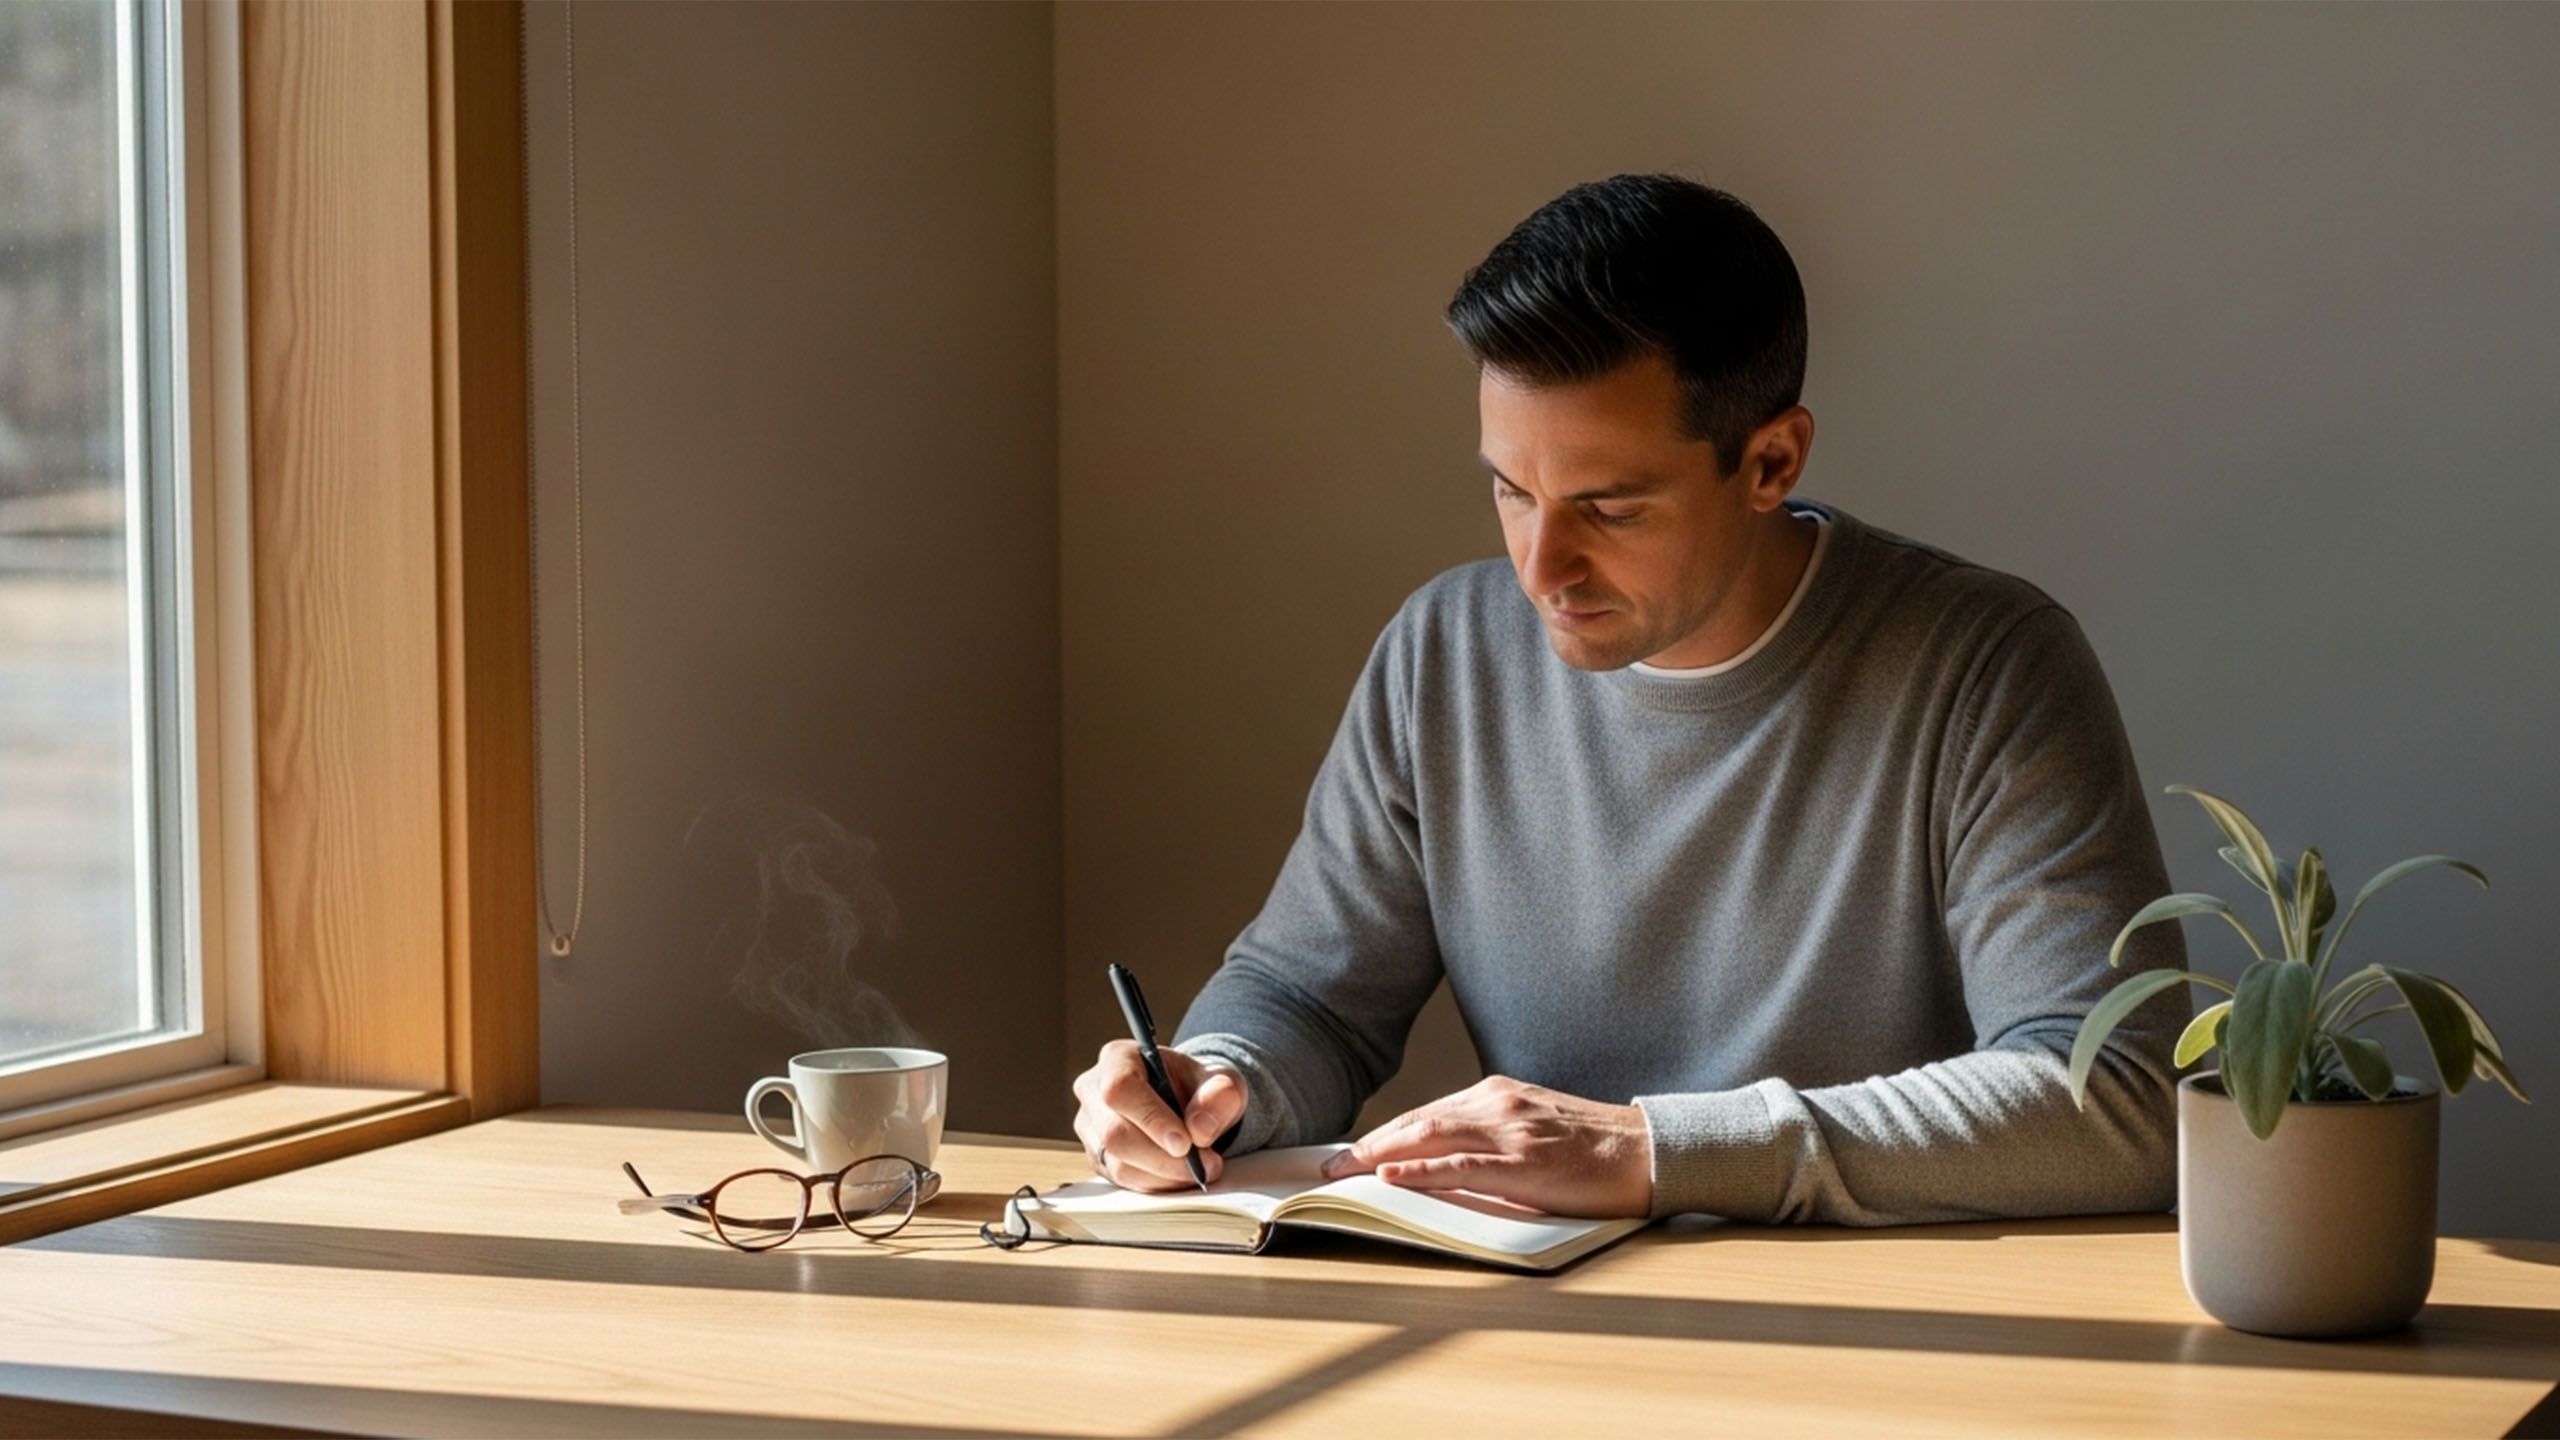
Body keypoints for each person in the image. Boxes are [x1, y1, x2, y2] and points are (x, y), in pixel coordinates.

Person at [1069, 173, 2193, 1225]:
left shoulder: (1985, 665)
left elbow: (2116, 1096)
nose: (1539, 569)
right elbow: (1310, 997)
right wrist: (1221, 1081)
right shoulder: (1443, 652)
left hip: (1876, 1334)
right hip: (1539, 1321)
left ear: (1769, 462)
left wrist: (1653, 1152)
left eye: (1608, 509)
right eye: (1512, 491)